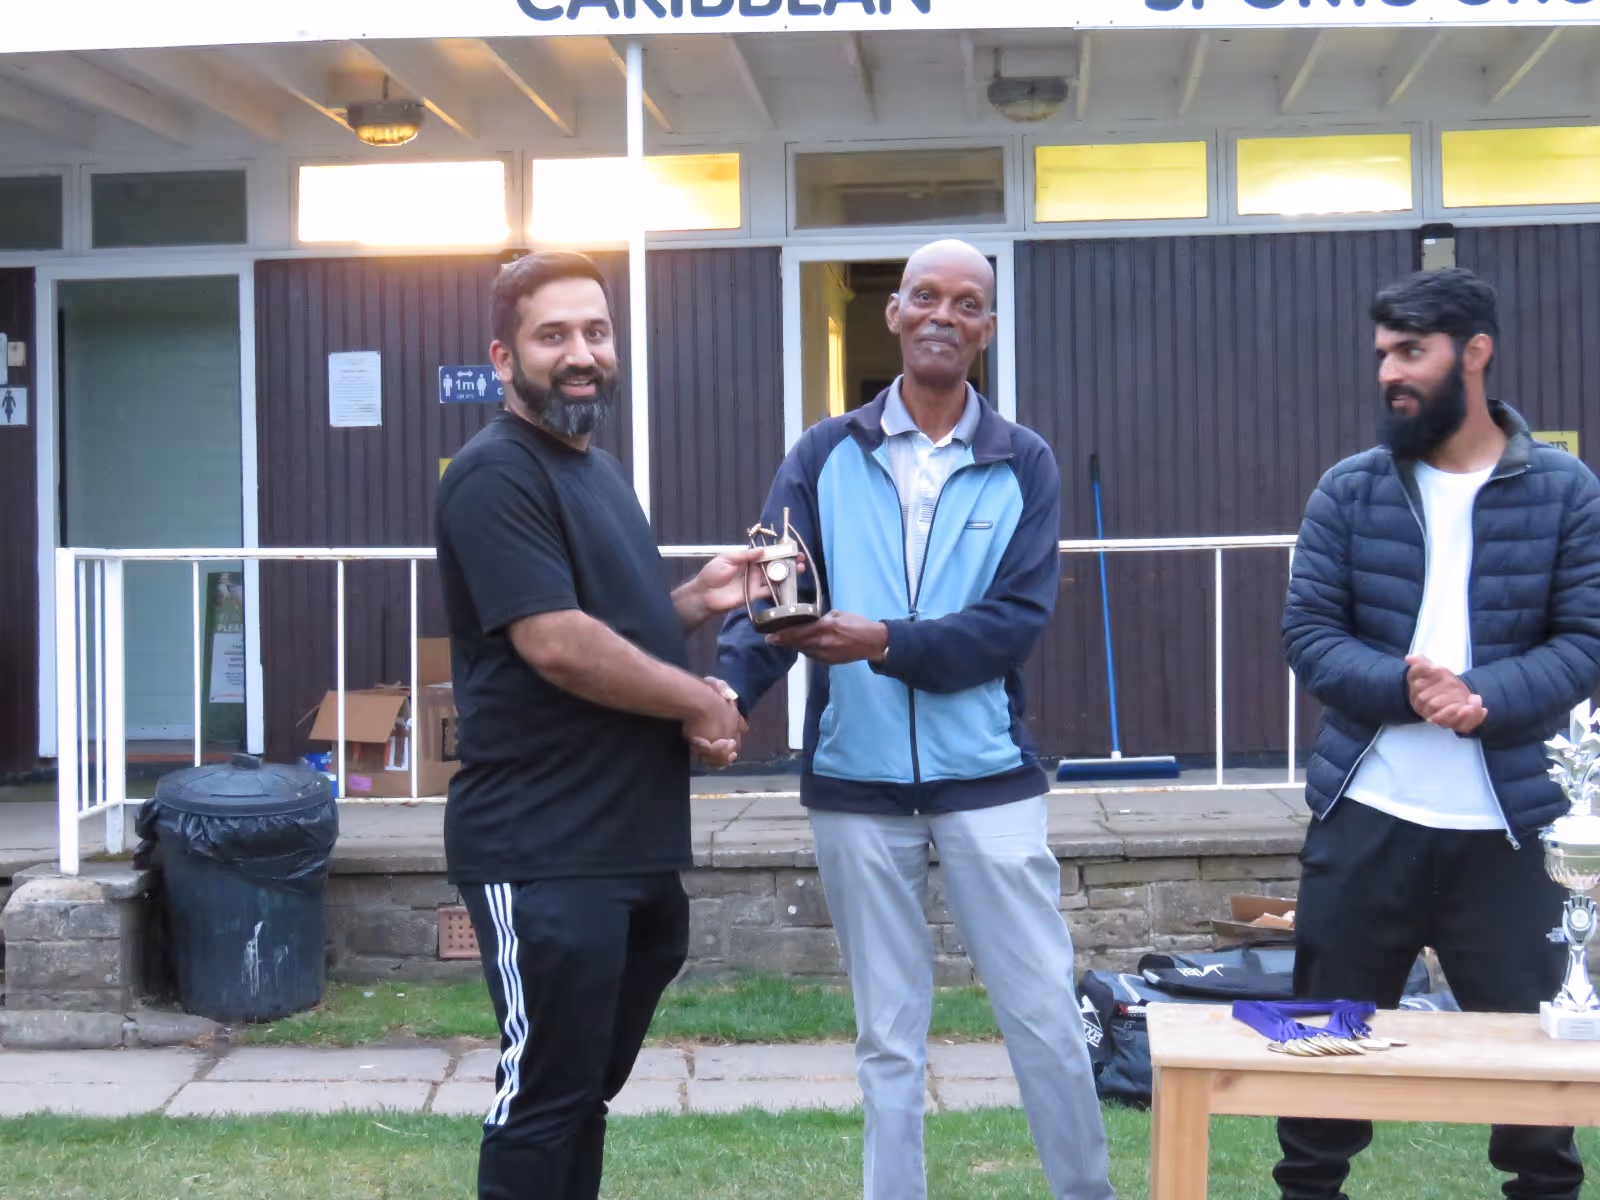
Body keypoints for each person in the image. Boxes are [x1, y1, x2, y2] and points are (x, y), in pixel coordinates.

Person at [716, 239, 1115, 1200]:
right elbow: (777, 595)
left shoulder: (1024, 462)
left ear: (988, 328)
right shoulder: (823, 453)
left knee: (1045, 1019)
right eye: (925, 296)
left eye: (967, 302)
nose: (944, 314)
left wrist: (885, 641)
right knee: (888, 1036)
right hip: (854, 782)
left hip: (986, 779)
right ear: (893, 313)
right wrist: (726, 695)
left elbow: (1012, 625)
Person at [434, 250, 766, 1200]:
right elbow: (557, 644)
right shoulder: (494, 474)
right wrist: (701, 700)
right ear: (505, 357)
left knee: (582, 1095)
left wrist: (696, 600)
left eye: (597, 331)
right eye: (554, 335)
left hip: (630, 842)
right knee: (543, 1097)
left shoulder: (598, 471)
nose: (582, 353)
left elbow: (610, 627)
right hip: (543, 843)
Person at [1280, 268, 1600, 1200]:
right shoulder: (1349, 489)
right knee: (1317, 1074)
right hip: (1365, 823)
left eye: (1411, 352)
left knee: (1540, 1101)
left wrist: (1483, 697)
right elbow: (1308, 635)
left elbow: (1586, 640)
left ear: (1475, 353)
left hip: (1513, 834)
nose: (1390, 371)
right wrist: (1405, 687)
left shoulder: (1566, 492)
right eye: (1383, 353)